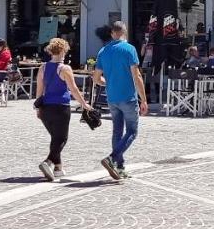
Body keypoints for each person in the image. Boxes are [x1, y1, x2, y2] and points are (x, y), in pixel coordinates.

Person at [93, 21, 147, 181]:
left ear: (111, 33)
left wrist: (107, 82)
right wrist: (143, 99)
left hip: (112, 97)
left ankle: (119, 167)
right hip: (128, 97)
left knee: (117, 131)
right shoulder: (129, 49)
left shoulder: (103, 51)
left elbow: (96, 78)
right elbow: (136, 76)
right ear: (124, 32)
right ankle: (113, 158)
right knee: (132, 131)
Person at [34, 37, 89, 182]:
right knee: (62, 138)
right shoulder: (65, 68)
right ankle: (47, 162)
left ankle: (58, 168)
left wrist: (38, 108)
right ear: (63, 51)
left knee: (55, 138)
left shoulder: (43, 67)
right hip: (61, 107)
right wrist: (84, 104)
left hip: (45, 107)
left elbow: (39, 90)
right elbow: (74, 89)